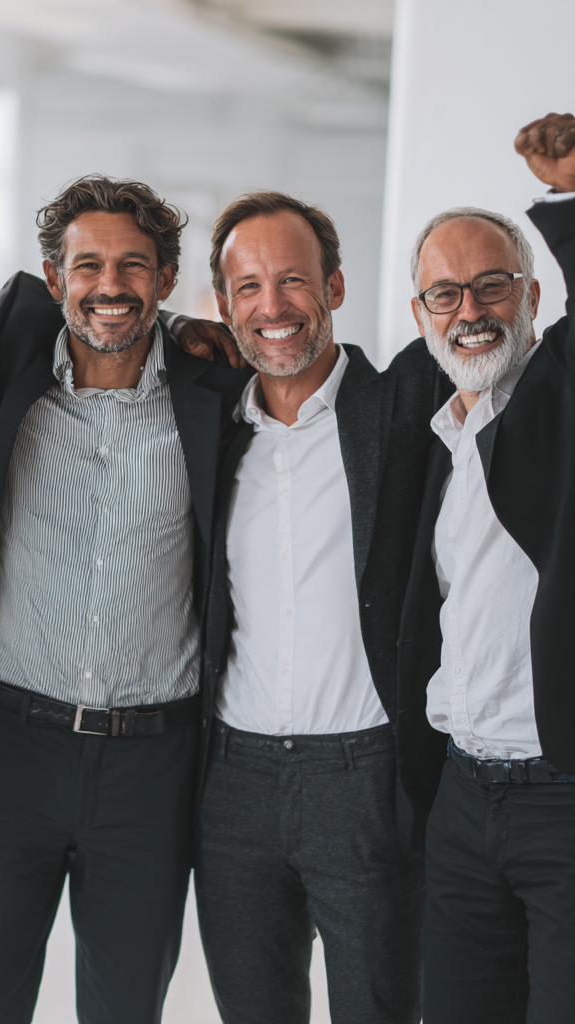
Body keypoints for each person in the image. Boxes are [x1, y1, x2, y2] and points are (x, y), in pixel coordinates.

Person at [0, 176, 243, 1024]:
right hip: (14, 752)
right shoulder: (8, 374)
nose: (111, 286)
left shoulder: (214, 401)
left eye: (134, 267)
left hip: (153, 765)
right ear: (52, 275)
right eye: (90, 265)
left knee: (125, 1007)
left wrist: (190, 334)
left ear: (166, 278)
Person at [190, 191, 450, 1024]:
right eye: (249, 287)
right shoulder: (211, 430)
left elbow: (522, 341)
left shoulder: (407, 408)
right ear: (224, 306)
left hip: (365, 779)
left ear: (335, 288)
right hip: (233, 782)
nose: (273, 306)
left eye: (294, 280)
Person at [398, 110, 575, 1024]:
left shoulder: (562, 406)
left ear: (536, 296)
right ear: (419, 311)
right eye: (446, 294)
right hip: (464, 801)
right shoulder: (436, 431)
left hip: (563, 799)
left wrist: (568, 195)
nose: (470, 311)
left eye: (493, 287)